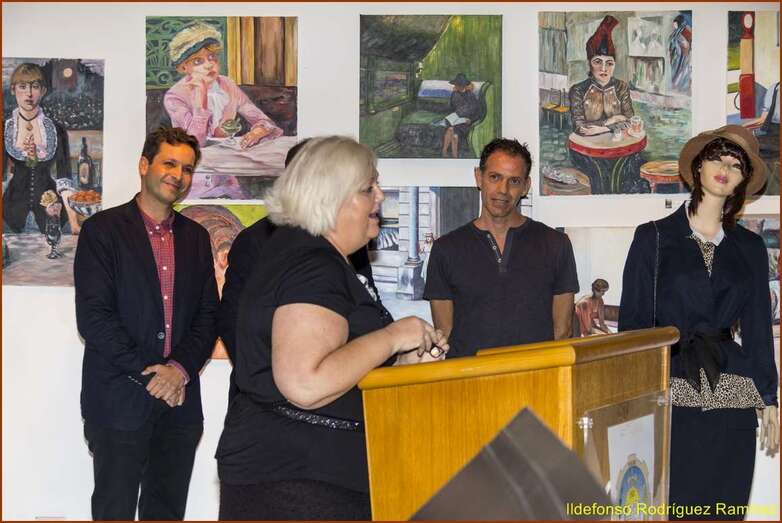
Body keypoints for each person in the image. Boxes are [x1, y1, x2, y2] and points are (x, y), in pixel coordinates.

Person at [215, 136, 448, 520]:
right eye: (368, 188)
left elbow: (337, 364)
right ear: (333, 197)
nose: (380, 196)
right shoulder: (312, 264)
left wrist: (402, 362)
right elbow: (305, 384)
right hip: (299, 483)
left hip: (305, 474)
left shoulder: (309, 256)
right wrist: (393, 337)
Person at [618, 125, 779, 519]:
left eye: (736, 165)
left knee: (725, 508)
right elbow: (633, 326)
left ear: (743, 180)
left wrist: (769, 398)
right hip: (671, 386)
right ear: (698, 166)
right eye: (717, 158)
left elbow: (758, 326)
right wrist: (631, 397)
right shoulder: (654, 238)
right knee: (674, 506)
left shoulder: (750, 247)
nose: (725, 168)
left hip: (733, 391)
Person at [74, 127, 218, 520]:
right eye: (169, 163)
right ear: (144, 165)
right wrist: (154, 373)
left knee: (167, 513)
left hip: (179, 406)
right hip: (118, 402)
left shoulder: (197, 238)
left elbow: (208, 316)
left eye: (187, 169)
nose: (178, 175)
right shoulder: (102, 231)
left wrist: (178, 370)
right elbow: (94, 318)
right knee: (114, 512)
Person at [216, 138, 380, 402]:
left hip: (340, 396)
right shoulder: (262, 240)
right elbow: (233, 318)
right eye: (368, 188)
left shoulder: (346, 240)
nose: (379, 196)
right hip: (284, 406)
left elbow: (364, 302)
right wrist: (270, 383)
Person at [424, 138, 579, 358]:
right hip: (470, 377)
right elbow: (445, 335)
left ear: (526, 186)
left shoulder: (556, 245)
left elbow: (562, 332)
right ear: (479, 178)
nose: (503, 190)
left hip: (536, 377)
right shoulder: (445, 250)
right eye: (495, 177)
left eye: (514, 181)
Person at [163, 21, 282, 148]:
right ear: (183, 68)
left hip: (225, 152)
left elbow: (262, 120)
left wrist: (259, 130)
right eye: (198, 61)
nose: (209, 65)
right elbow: (194, 143)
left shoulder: (227, 84)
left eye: (211, 57)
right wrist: (201, 103)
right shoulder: (174, 97)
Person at [567, 15, 646, 194]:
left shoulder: (621, 87)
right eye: (598, 62)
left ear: (614, 65)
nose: (604, 69)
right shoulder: (578, 90)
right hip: (588, 153)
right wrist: (613, 121)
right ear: (589, 63)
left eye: (609, 63)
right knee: (596, 183)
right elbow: (581, 128)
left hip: (621, 150)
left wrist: (603, 127)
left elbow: (629, 120)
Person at [3, 62, 79, 234]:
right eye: (23, 87)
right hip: (10, 211)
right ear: (13, 89)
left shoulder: (56, 130)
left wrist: (74, 224)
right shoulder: (5, 129)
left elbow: (65, 179)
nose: (29, 93)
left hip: (52, 210)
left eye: (35, 86)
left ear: (43, 91)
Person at [441, 73, 482, 158]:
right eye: (456, 84)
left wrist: (471, 120)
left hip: (465, 123)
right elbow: (450, 108)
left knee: (454, 136)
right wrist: (451, 116)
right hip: (455, 120)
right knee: (450, 129)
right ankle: (444, 151)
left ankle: (455, 157)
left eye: (458, 84)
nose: (456, 86)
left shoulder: (471, 95)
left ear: (464, 85)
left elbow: (478, 112)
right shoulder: (454, 94)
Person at [668, 13, 692, 94]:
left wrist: (682, 47)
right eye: (674, 24)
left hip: (682, 57)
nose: (674, 26)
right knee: (675, 72)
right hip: (675, 57)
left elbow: (687, 45)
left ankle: (680, 88)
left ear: (679, 23)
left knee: (682, 72)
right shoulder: (675, 33)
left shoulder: (686, 31)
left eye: (675, 24)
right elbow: (671, 43)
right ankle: (675, 87)